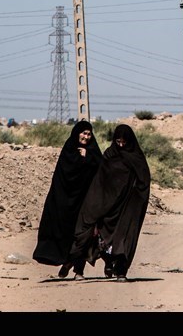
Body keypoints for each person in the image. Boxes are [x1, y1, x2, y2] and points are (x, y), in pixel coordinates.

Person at [68, 124, 151, 281]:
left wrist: (136, 200)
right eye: (118, 141)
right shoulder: (109, 155)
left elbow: (143, 181)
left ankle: (121, 272)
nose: (120, 145)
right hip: (105, 205)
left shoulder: (136, 158)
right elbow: (99, 179)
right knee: (89, 235)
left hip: (125, 206)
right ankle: (79, 269)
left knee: (124, 239)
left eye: (124, 142)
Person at [33, 120, 102, 279]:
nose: (85, 137)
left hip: (85, 203)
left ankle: (78, 270)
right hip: (66, 203)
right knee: (66, 234)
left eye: (88, 134)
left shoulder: (93, 152)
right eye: (83, 133)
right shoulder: (69, 150)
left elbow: (101, 169)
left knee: (84, 236)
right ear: (76, 133)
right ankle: (66, 261)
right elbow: (62, 177)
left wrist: (88, 157)